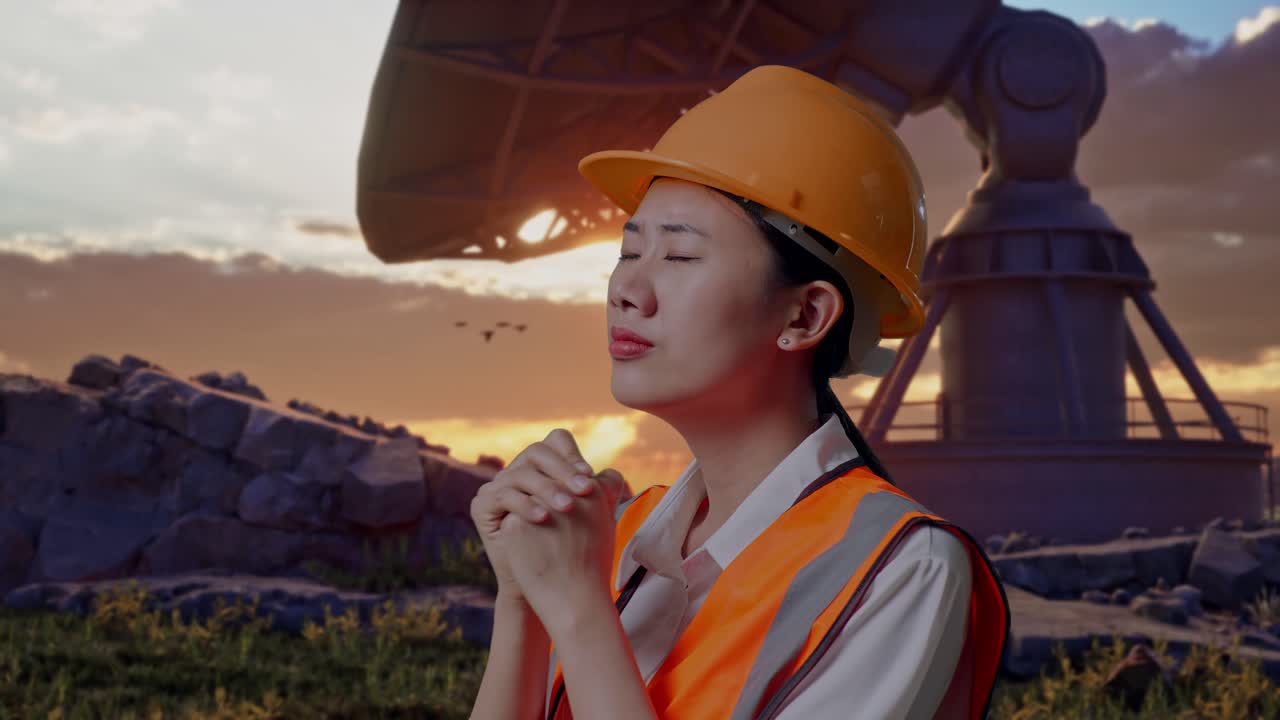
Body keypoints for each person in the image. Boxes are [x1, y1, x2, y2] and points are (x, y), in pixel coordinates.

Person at [468, 64, 1011, 720]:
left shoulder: (903, 569)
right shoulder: (618, 538)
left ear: (804, 317)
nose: (626, 290)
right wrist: (524, 599)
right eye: (627, 251)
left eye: (679, 257)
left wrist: (582, 611)